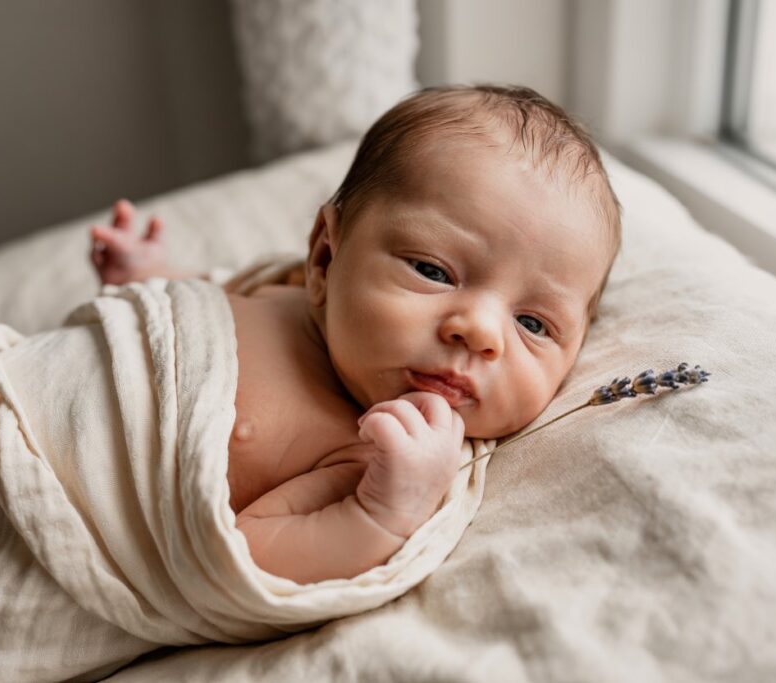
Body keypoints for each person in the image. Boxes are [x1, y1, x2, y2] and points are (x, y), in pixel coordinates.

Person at [88, 85, 621, 584]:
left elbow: (237, 560)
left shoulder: (373, 456)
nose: (481, 332)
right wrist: (152, 281)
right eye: (433, 272)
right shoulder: (287, 288)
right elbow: (207, 308)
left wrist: (381, 514)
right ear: (325, 257)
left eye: (533, 324)